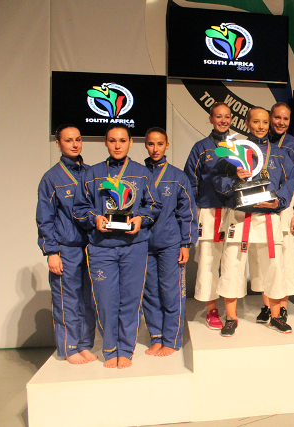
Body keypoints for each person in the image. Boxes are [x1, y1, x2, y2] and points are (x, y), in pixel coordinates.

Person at [74, 123, 162, 369]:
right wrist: (95, 218)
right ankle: (110, 348)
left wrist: (140, 219)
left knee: (130, 300)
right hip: (101, 246)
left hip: (134, 246)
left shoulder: (141, 173)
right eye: (112, 140)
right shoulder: (93, 173)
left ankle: (126, 349)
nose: (117, 145)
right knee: (105, 301)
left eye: (122, 140)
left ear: (130, 143)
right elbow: (79, 208)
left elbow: (154, 205)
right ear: (105, 142)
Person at [213, 107, 294, 336]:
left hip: (268, 217)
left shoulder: (279, 154)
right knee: (232, 267)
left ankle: (276, 316)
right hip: (241, 217)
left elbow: (291, 180)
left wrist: (279, 201)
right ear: (247, 123)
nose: (261, 126)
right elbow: (217, 180)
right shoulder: (234, 150)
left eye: (264, 122)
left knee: (274, 267)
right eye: (256, 122)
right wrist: (234, 179)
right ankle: (231, 318)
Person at [36, 124, 97, 364]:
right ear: (58, 143)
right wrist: (51, 251)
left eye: (78, 139)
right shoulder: (52, 178)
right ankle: (69, 347)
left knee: (88, 300)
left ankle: (85, 344)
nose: (74, 144)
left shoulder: (92, 173)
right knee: (67, 299)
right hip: (66, 248)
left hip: (91, 247)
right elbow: (45, 218)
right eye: (69, 140)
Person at [143, 128, 198, 356]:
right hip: (143, 243)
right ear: (146, 145)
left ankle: (172, 339)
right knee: (150, 292)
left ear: (167, 145)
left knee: (171, 292)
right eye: (151, 144)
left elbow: (187, 212)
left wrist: (185, 243)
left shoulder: (177, 176)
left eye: (160, 144)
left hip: (170, 243)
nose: (155, 149)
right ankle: (156, 337)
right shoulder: (138, 174)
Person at [253, 102, 294, 323]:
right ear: (270, 118)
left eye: (285, 119)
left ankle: (283, 306)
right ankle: (267, 305)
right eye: (277, 118)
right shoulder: (258, 143)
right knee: (262, 257)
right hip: (260, 205)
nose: (281, 122)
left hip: (285, 207)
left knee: (285, 257)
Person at [184, 102, 231, 331]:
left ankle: (231, 309)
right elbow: (190, 182)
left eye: (227, 116)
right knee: (208, 261)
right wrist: (194, 211)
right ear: (211, 119)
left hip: (234, 211)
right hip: (209, 211)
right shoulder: (201, 148)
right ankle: (212, 309)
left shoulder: (238, 146)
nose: (223, 120)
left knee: (232, 261)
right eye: (218, 116)